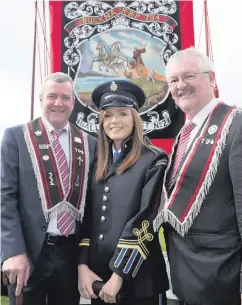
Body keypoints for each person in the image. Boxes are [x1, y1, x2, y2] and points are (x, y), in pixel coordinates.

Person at [153, 47, 242, 305]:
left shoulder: (235, 125)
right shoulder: (185, 131)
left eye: (189, 76)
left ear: (211, 79)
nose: (181, 86)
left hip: (220, 275)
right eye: (173, 80)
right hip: (180, 275)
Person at [1, 72, 97, 305]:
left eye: (65, 98)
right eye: (52, 96)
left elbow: (92, 203)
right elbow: (5, 197)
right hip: (29, 253)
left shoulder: (90, 143)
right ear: (41, 100)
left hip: (70, 252)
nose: (58, 103)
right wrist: (12, 251)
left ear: (73, 104)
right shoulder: (16, 137)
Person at [78, 80, 169, 305]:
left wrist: (119, 275)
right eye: (107, 115)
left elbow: (145, 221)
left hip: (138, 279)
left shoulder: (154, 159)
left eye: (122, 114)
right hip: (99, 279)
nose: (114, 121)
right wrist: (82, 266)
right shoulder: (97, 162)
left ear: (135, 119)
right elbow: (88, 218)